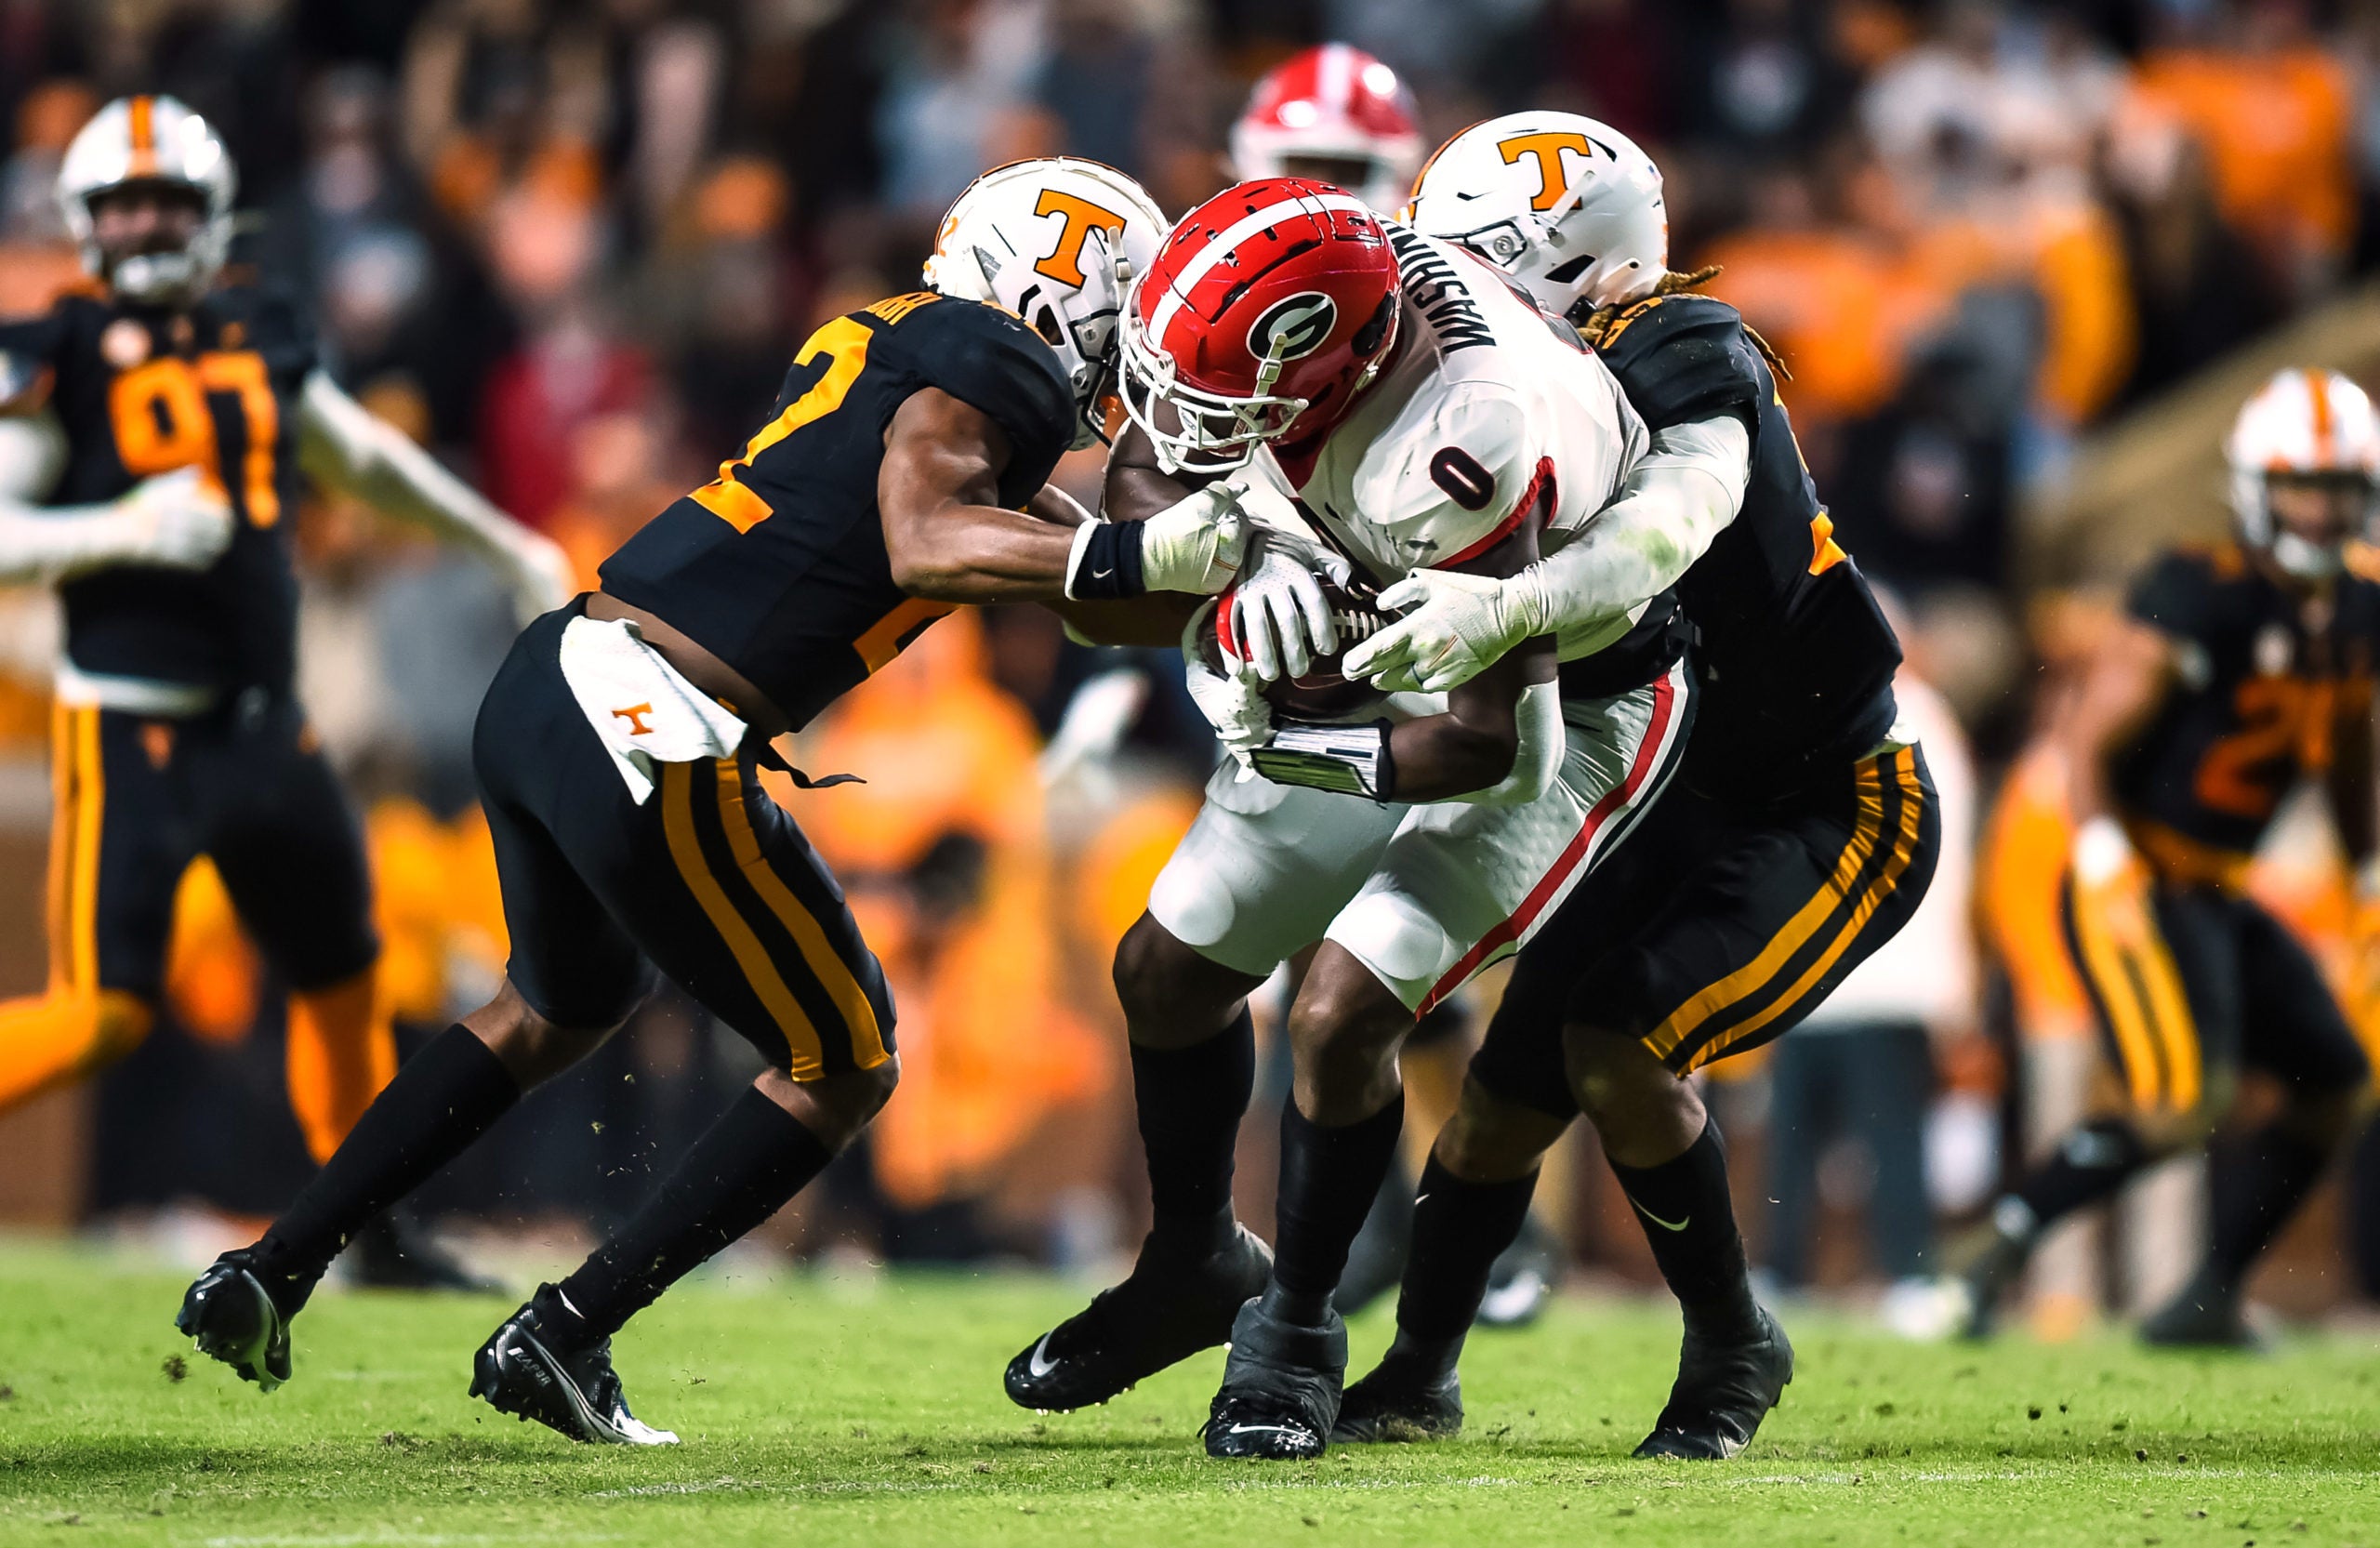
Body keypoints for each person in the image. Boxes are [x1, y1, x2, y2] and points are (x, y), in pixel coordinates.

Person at [175, 158, 1236, 1444]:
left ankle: (269, 1268)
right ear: (1069, 296)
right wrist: (1143, 546)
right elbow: (932, 537)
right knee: (842, 1058)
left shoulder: (896, 340)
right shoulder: (994, 366)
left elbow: (1075, 569)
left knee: (557, 1006)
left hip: (555, 675)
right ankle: (565, 1330)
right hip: (655, 715)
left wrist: (1234, 571)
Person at [1005, 176, 1703, 1462]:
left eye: (1220, 398)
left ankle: (1298, 1331)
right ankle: (1192, 1259)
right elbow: (1155, 459)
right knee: (1167, 968)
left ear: (1318, 375)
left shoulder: (1461, 439)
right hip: (1378, 612)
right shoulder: (1318, 316)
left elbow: (1490, 744)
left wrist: (1283, 727)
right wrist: (1256, 561)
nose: (1170, 417)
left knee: (1342, 1009)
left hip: (1565, 699)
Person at [1325, 112, 1937, 1459]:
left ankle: (1733, 1344)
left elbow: (1664, 538)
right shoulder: (1514, 370)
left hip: (1831, 800)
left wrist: (1497, 603)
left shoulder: (1679, 347)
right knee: (1496, 1104)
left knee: (1618, 1047)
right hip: (1673, 792)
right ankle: (1420, 1369)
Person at [0, 96, 571, 1286]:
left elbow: (358, 456)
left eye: (166, 200)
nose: (147, 222)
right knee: (101, 1011)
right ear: (85, 221)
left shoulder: (260, 328)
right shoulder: (52, 353)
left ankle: (367, 1236)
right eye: (124, 202)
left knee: (344, 977)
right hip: (131, 727)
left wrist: (498, 541)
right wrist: (125, 526)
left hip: (270, 722)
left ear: (212, 212)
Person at [1946, 366, 2378, 1347]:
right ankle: (1990, 1254)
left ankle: (2204, 1297)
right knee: (2181, 1101)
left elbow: (2350, 744)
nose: (2319, 514)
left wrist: (2366, 871)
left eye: (2339, 493)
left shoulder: (2360, 608)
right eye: (2304, 489)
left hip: (2222, 890)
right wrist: (2099, 856)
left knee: (2337, 1081)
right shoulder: (2195, 591)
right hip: (2134, 875)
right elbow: (2087, 745)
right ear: (2257, 488)